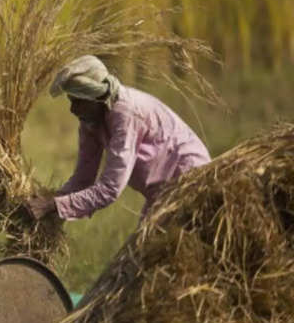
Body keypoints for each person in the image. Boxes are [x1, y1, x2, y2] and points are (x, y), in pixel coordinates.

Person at [27, 55, 211, 223]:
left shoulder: (126, 114)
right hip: (160, 193)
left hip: (188, 179)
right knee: (140, 253)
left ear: (96, 96)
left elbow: (110, 188)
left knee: (147, 252)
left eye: (78, 101)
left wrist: (53, 206)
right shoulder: (91, 120)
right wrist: (53, 201)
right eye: (71, 101)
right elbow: (83, 178)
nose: (73, 110)